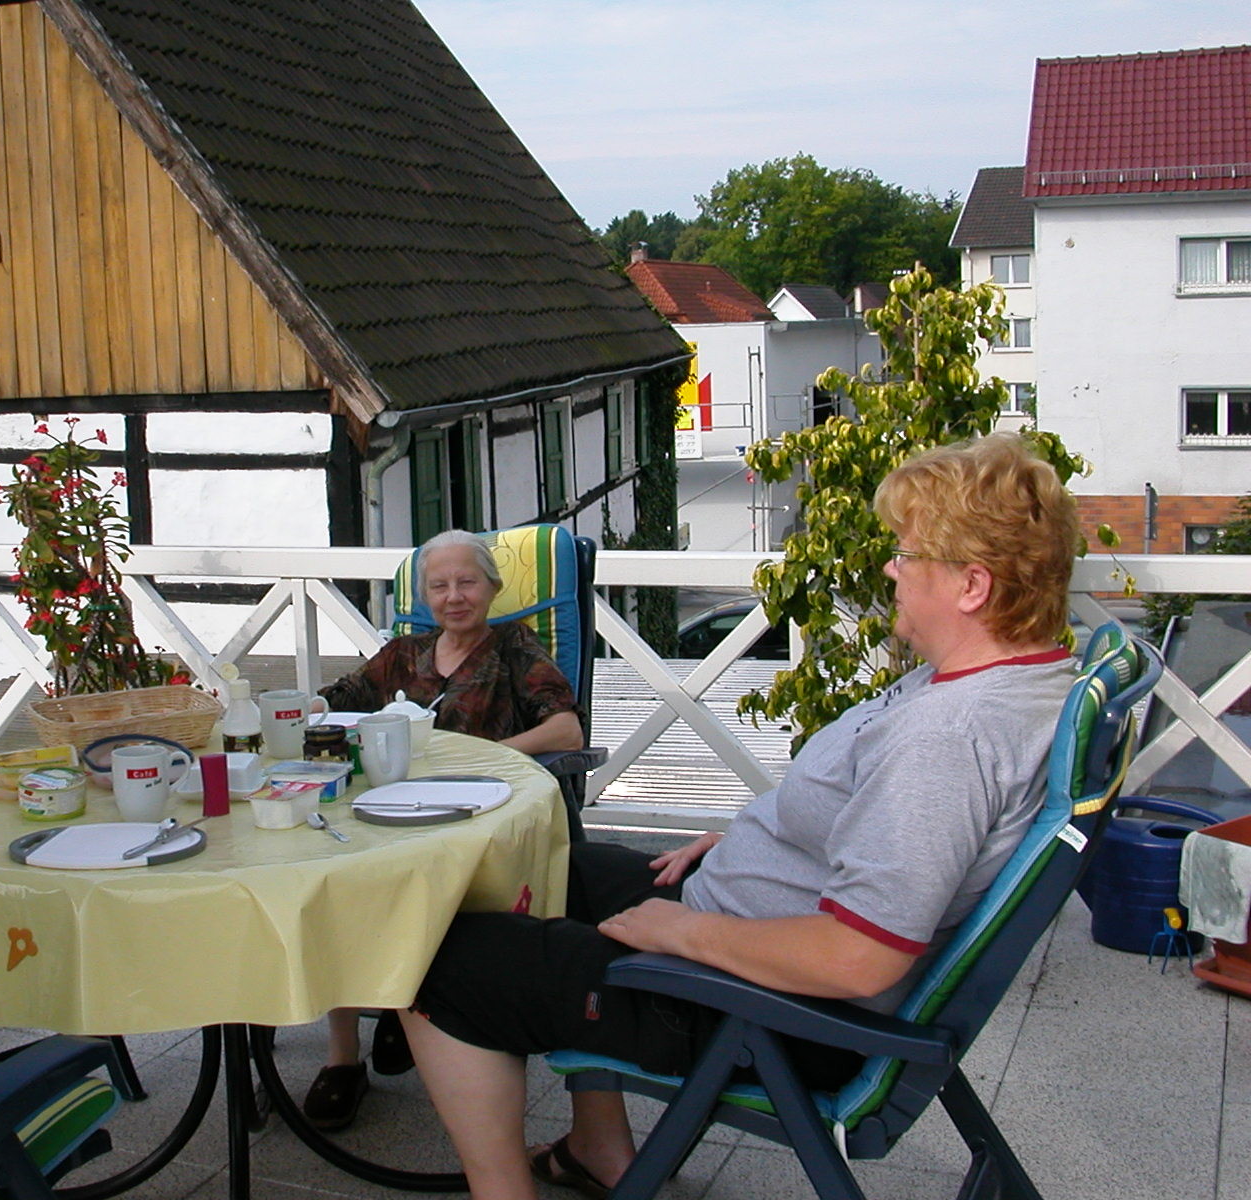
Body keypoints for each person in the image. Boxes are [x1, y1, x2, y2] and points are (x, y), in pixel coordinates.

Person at [398, 434, 1083, 1200]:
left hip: (769, 1012)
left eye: (908, 553)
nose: (891, 567)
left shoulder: (950, 738)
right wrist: (778, 839)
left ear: (972, 586)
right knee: (547, 869)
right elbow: (897, 834)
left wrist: (679, 932)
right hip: (749, 930)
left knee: (436, 955)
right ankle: (599, 1149)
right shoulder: (1007, 682)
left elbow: (861, 958)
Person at [302, 529, 586, 1130]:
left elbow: (566, 733)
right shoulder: (404, 655)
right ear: (425, 595)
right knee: (341, 887)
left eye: (467, 582)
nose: (454, 596)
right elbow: (332, 704)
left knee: (403, 898)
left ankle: (411, 1007)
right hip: (393, 813)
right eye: (439, 585)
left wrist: (487, 758)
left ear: (492, 587)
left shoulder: (515, 649)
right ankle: (343, 1057)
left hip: (473, 824)